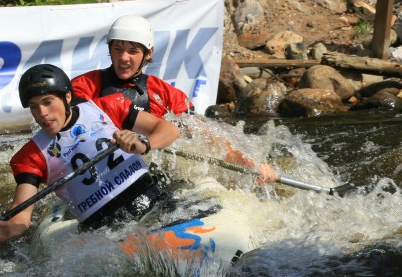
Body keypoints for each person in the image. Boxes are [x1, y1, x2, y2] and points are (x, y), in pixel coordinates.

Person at [0, 63, 180, 242]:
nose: (42, 113)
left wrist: (144, 145)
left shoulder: (106, 107)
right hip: (105, 233)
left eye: (48, 102)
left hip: (154, 204)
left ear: (67, 97)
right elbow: (21, 217)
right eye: (34, 107)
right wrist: (6, 229)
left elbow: (170, 130)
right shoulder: (30, 156)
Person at [72, 14, 278, 184]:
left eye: (133, 51)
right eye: (117, 49)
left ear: (148, 53)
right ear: (109, 49)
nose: (124, 57)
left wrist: (251, 165)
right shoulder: (83, 86)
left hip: (153, 175)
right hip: (101, 177)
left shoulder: (166, 94)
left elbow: (206, 136)